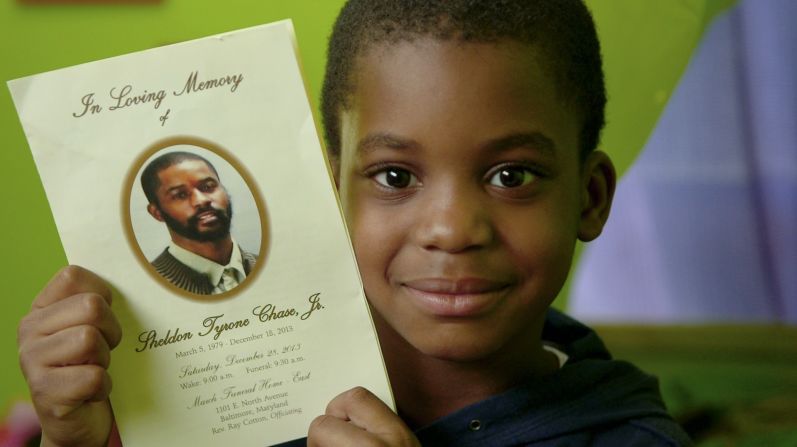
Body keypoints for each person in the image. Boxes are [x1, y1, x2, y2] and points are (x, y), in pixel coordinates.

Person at [16, 0, 692, 446]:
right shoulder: (239, 406)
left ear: (590, 196)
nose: (453, 229)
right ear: (329, 189)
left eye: (509, 175)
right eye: (395, 177)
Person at [139, 150, 257, 295]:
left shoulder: (271, 265)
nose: (201, 200)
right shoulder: (147, 290)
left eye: (208, 187)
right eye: (180, 195)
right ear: (157, 213)